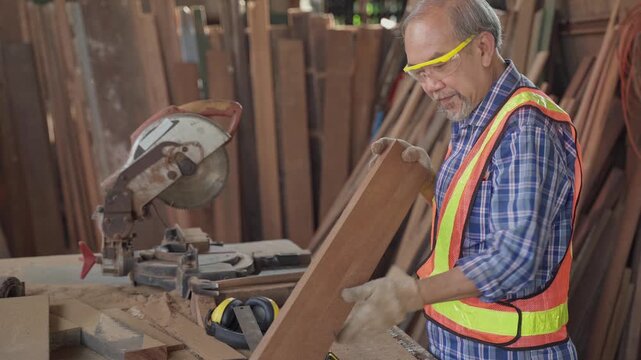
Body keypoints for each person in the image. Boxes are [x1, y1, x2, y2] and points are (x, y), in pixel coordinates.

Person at [337, 0, 582, 359]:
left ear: (483, 47)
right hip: (463, 346)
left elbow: (515, 257)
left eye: (438, 64)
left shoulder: (525, 128)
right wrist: (424, 180)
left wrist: (411, 295)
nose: (431, 85)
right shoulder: (476, 116)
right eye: (419, 72)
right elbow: (477, 218)